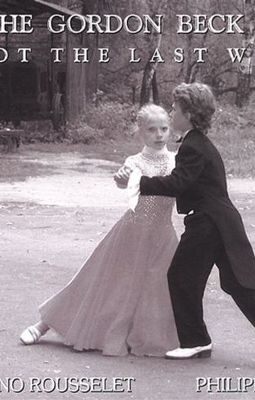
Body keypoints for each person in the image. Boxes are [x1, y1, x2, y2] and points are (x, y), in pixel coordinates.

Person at [115, 83, 255, 372]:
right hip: (221, 222)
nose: (171, 113)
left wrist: (137, 182)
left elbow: (178, 183)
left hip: (208, 223)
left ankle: (195, 341)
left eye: (175, 110)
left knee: (180, 277)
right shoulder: (198, 143)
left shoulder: (193, 146)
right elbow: (185, 181)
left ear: (189, 114)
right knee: (238, 283)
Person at [20, 104, 179, 356]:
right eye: (151, 129)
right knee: (97, 281)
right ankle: (44, 325)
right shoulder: (134, 162)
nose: (159, 135)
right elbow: (125, 183)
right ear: (140, 132)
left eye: (164, 129)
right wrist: (122, 178)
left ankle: (142, 333)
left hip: (162, 235)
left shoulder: (176, 161)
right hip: (132, 233)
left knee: (158, 287)